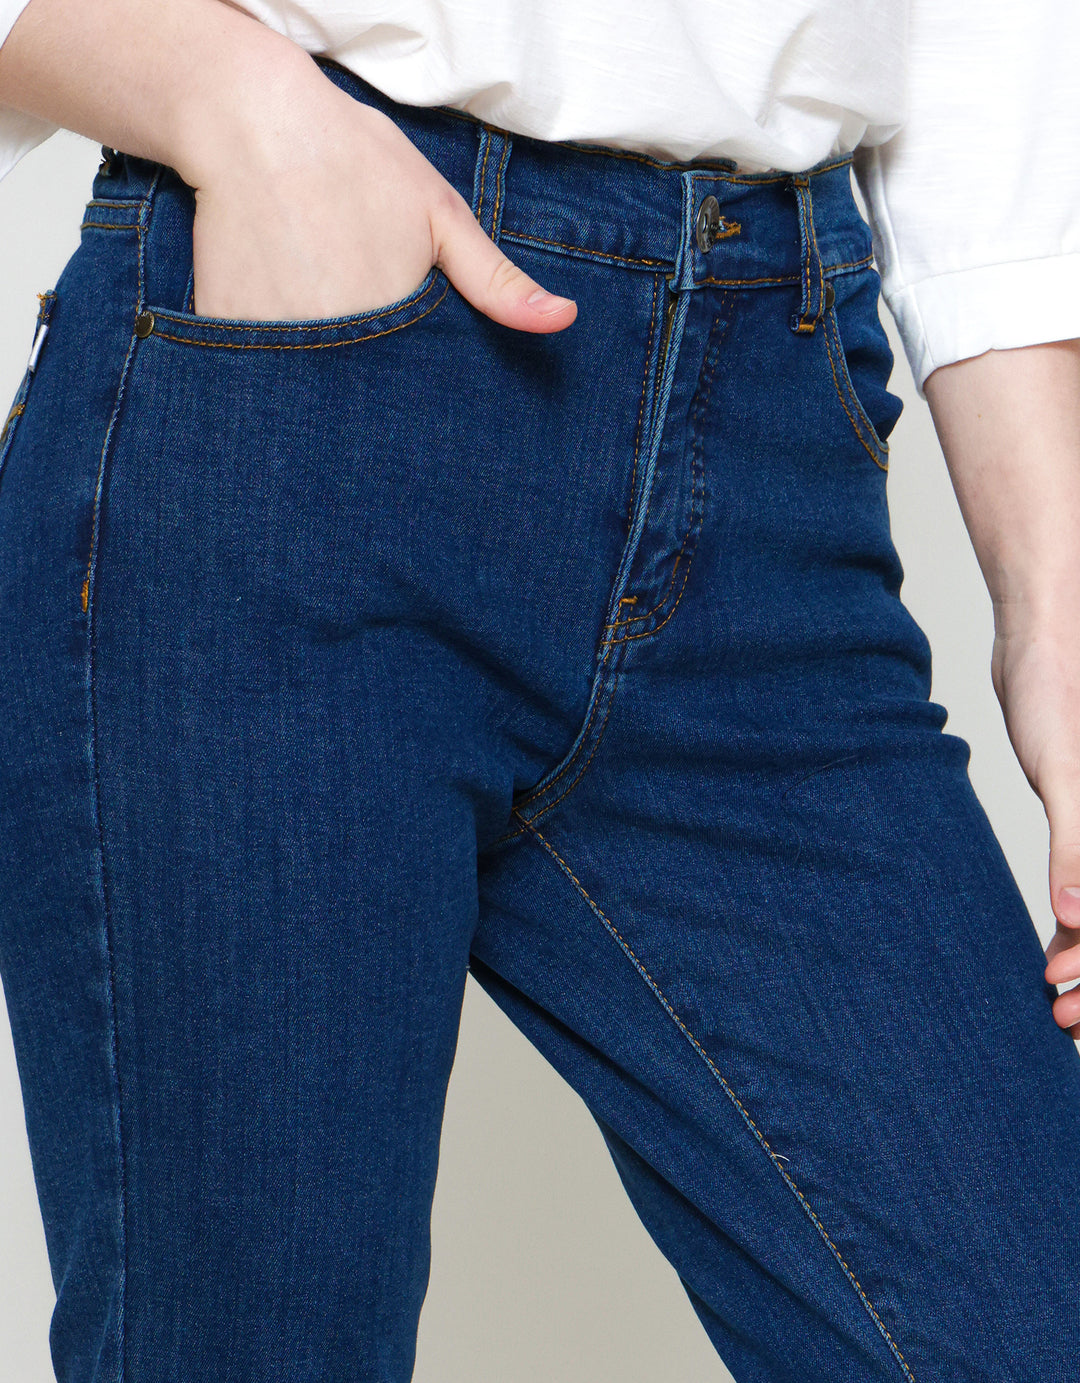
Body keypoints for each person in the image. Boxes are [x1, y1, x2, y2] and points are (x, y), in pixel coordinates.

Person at [0, 1, 1078, 1379]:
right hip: (298, 390)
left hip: (773, 430)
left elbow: (988, 50)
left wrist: (1052, 605)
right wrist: (233, 106)